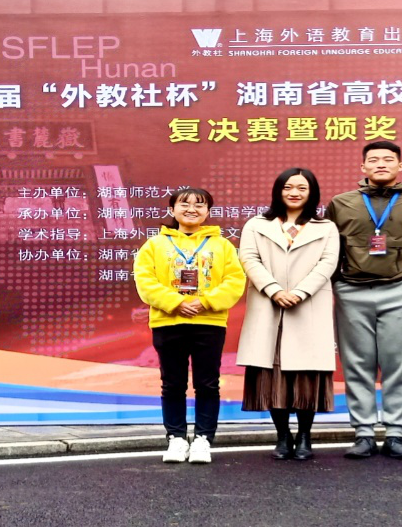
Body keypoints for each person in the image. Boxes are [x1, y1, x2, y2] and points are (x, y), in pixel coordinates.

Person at [326, 141, 402, 460]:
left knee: (398, 364)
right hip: (352, 291)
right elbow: (330, 246)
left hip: (399, 290)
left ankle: (395, 433)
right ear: (363, 167)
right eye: (373, 160)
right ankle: (363, 433)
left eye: (389, 159)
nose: (381, 164)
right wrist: (337, 283)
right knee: (357, 363)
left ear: (400, 166)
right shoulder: (341, 203)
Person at [133, 187, 246, 465]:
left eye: (199, 204)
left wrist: (205, 302)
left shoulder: (222, 245)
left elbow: (235, 281)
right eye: (184, 204)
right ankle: (176, 438)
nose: (192, 209)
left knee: (207, 383)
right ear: (171, 210)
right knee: (172, 384)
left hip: (209, 322)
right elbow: (145, 281)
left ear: (208, 211)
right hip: (168, 321)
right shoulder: (154, 245)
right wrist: (175, 302)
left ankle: (203, 439)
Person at [237, 168, 340, 461]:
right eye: (288, 187)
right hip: (268, 305)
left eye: (302, 188)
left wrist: (300, 292)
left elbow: (328, 263)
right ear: (278, 191)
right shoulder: (257, 224)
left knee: (307, 374)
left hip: (307, 306)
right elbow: (249, 258)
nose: (294, 193)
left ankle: (305, 436)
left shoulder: (326, 227)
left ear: (312, 193)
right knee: (272, 374)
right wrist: (273, 290)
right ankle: (282, 436)